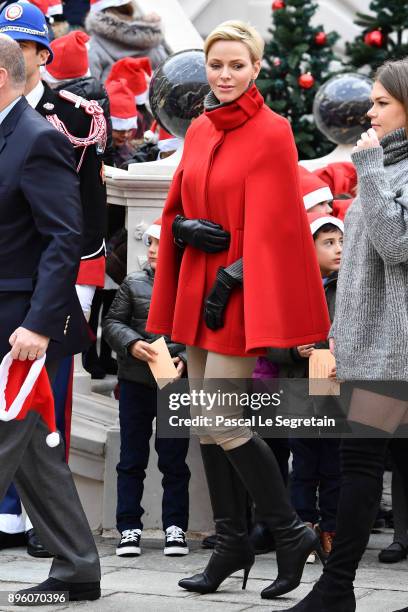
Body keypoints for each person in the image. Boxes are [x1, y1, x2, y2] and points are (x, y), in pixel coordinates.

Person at [146, 20, 331, 599]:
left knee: (223, 419)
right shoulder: (199, 128)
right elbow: (178, 202)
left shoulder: (274, 132)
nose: (224, 75)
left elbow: (278, 229)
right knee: (204, 421)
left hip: (241, 295)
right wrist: (183, 226)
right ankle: (230, 544)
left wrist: (230, 278)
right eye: (216, 65)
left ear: (256, 68)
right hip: (200, 289)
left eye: (236, 65)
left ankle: (288, 531)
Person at [276, 59, 408, 612]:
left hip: (393, 356)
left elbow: (397, 245)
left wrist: (371, 169)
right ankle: (336, 589)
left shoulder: (382, 166)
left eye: (380, 102)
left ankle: (335, 590)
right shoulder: (381, 164)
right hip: (369, 351)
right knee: (360, 466)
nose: (369, 112)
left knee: (359, 467)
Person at [0, 0, 107, 558]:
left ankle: (45, 531)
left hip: (43, 293)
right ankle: (67, 552)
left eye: (22, 45)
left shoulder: (63, 120)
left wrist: (60, 304)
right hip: (16, 288)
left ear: (41, 53)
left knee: (40, 410)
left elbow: (76, 223)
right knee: (28, 424)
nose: (15, 54)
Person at [103, 219, 191, 558]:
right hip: (135, 382)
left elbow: (196, 330)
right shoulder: (133, 283)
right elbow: (112, 322)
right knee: (131, 457)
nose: (152, 250)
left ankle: (175, 527)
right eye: (150, 243)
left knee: (174, 459)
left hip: (174, 384)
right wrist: (133, 344)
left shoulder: (188, 286)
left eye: (159, 244)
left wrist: (183, 356)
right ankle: (129, 527)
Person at [268, 214, 343, 564]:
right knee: (303, 465)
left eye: (341, 242)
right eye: (328, 243)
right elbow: (269, 343)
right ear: (308, 248)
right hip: (298, 388)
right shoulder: (292, 288)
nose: (338, 250)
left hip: (335, 388)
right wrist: (293, 351)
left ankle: (331, 530)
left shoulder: (350, 287)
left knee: (334, 464)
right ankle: (303, 529)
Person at [86, 0, 167, 83]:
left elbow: (93, 87)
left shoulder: (93, 48)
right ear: (129, 6)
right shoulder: (151, 36)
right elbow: (168, 73)